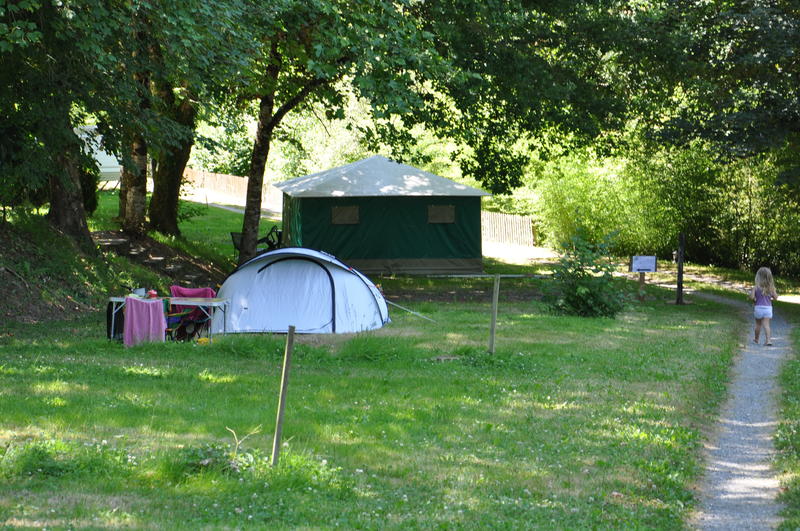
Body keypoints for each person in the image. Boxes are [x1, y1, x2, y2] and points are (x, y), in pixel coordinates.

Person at [751, 267, 778, 346]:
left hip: (758, 308)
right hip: (768, 309)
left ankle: (756, 339)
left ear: (758, 277)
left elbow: (752, 297)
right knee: (766, 325)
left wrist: (754, 300)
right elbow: (776, 297)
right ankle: (768, 340)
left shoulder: (756, 287)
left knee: (758, 324)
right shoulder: (771, 288)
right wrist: (772, 295)